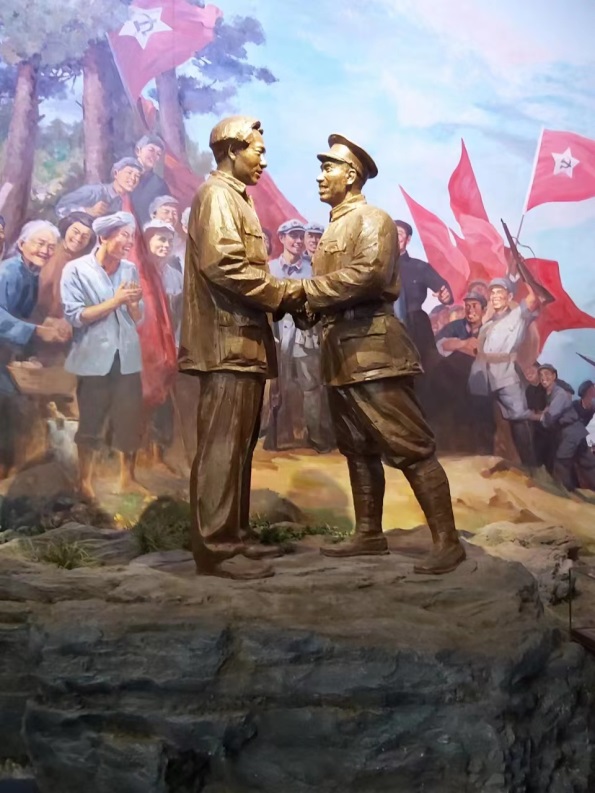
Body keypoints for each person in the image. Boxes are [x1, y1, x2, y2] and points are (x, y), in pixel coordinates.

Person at [295, 134, 465, 575]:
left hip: (373, 349)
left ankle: (448, 542)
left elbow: (368, 276)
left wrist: (305, 292)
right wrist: (302, 307)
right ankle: (369, 533)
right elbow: (328, 293)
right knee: (357, 447)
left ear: (351, 175)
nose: (320, 176)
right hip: (339, 351)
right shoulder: (333, 228)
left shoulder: (373, 219)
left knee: (410, 444)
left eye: (328, 168)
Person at [178, 115, 305, 579]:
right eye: (258, 151)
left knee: (239, 448)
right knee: (222, 446)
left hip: (244, 342)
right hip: (225, 341)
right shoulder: (216, 196)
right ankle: (215, 548)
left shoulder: (237, 199)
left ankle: (234, 535)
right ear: (233, 150)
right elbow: (225, 267)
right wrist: (285, 294)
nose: (263, 161)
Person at [60, 212, 146, 500]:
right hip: (92, 357)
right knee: (91, 420)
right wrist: (116, 301)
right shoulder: (75, 270)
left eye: (131, 237)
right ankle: (85, 482)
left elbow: (139, 316)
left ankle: (127, 479)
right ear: (104, 237)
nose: (129, 242)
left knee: (129, 418)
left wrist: (132, 306)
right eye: (124, 236)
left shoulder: (130, 269)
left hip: (127, 356)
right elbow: (76, 316)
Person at [0, 221, 69, 478]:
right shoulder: (8, 272)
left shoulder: (31, 274)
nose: (45, 250)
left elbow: (21, 315)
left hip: (5, 353)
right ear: (21, 244)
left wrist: (46, 324)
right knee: (10, 402)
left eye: (51, 246)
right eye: (40, 243)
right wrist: (37, 331)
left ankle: (12, 464)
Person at [267, 219, 334, 452]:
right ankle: (277, 435)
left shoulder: (312, 268)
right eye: (292, 236)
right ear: (281, 238)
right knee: (278, 387)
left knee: (311, 387)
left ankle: (315, 435)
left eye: (299, 236)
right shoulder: (270, 269)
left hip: (306, 335)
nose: (297, 241)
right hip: (277, 335)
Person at [469, 277, 542, 467]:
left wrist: (524, 275)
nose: (494, 296)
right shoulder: (487, 324)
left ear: (509, 296)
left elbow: (534, 298)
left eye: (499, 292)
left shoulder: (518, 315)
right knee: (484, 420)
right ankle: (484, 462)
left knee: (519, 418)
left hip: (506, 375)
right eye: (492, 293)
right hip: (482, 377)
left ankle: (531, 468)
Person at [143, 219, 183, 474]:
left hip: (166, 350)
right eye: (160, 239)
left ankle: (157, 456)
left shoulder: (175, 276)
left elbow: (178, 317)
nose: (165, 245)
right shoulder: (135, 272)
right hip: (140, 351)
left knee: (163, 403)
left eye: (169, 240)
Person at [393, 219, 453, 371]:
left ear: (408, 239)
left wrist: (445, 296)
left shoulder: (420, 267)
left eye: (399, 233)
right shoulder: (377, 267)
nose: (395, 237)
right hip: (387, 326)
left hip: (416, 326)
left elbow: (444, 289)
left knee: (426, 370)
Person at [530, 364, 595, 491]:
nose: (543, 378)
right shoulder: (549, 394)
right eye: (541, 375)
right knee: (588, 463)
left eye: (547, 374)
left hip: (571, 433)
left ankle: (565, 493)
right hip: (574, 433)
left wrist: (533, 415)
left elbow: (549, 418)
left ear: (554, 376)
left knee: (562, 462)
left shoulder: (559, 394)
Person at [35, 212, 95, 321]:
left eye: (85, 236)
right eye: (75, 232)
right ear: (66, 228)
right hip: (37, 316)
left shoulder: (87, 264)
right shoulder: (48, 251)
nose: (78, 238)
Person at [55, 157, 143, 218]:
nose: (133, 178)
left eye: (137, 176)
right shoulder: (94, 192)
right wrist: (89, 211)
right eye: (129, 173)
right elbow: (61, 207)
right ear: (116, 173)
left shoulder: (125, 202)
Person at [130, 134, 170, 224]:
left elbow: (166, 212)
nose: (154, 155)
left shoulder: (160, 185)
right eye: (151, 150)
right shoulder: (123, 176)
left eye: (158, 154)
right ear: (138, 151)